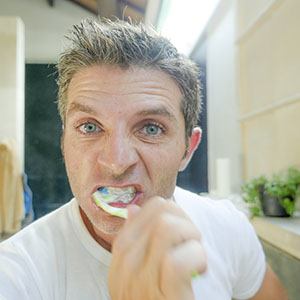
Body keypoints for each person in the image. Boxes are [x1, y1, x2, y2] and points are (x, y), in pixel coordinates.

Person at [0, 18, 287, 300]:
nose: (117, 162)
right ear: (64, 143)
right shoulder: (15, 273)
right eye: (90, 127)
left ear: (188, 149)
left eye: (151, 128)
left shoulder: (228, 229)